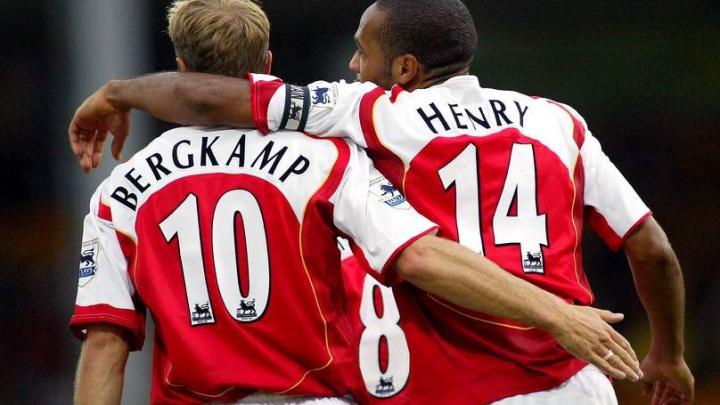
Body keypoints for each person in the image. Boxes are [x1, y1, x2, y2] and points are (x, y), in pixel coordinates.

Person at [70, 1, 643, 404]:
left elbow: (104, 345)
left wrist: (119, 91)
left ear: (180, 67)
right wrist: (557, 313)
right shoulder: (331, 161)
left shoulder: (120, 192)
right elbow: (420, 256)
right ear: (266, 66)